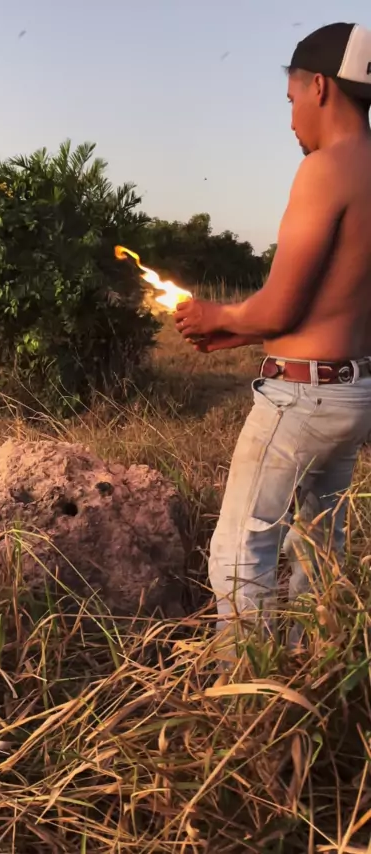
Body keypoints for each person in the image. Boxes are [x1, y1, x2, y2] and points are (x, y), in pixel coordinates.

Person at [175, 22, 371, 644]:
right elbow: (333, 300)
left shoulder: (324, 169)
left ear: (320, 87)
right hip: (353, 393)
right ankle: (319, 664)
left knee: (240, 548)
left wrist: (221, 315)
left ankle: (248, 686)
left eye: (291, 100)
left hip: (301, 400)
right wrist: (240, 332)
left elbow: (282, 306)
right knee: (319, 548)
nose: (290, 120)